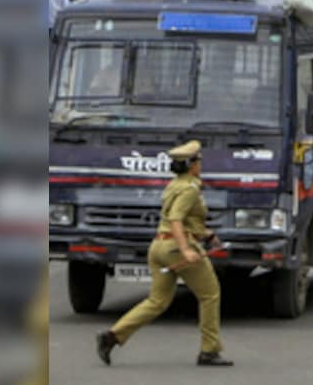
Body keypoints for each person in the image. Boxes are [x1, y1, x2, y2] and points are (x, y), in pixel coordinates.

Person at [97, 141, 233, 367]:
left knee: (157, 301)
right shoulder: (190, 189)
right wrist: (186, 249)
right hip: (175, 248)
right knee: (210, 295)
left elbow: (183, 220)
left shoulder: (173, 185)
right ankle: (209, 350)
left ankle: (112, 336)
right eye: (198, 161)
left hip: (159, 247)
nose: (200, 164)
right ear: (191, 165)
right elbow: (176, 220)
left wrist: (207, 235)